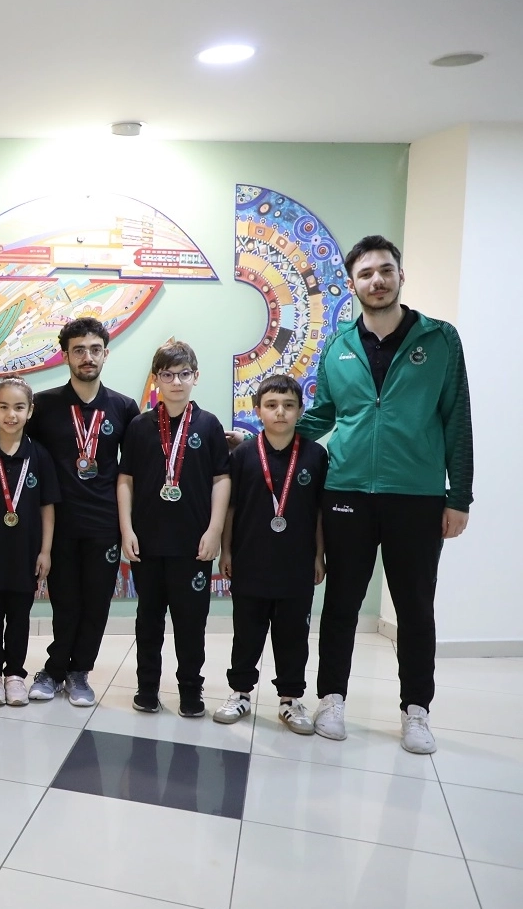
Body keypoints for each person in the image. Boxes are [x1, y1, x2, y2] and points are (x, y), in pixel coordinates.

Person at [296, 235, 472, 754]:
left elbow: (457, 418)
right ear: (353, 284)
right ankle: (331, 699)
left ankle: (416, 711)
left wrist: (458, 495)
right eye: (366, 273)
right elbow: (324, 414)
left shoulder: (439, 339)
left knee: (415, 607)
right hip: (347, 489)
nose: (377, 280)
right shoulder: (338, 345)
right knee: (342, 602)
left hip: (416, 495)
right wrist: (267, 440)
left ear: (399, 275)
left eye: (385, 270)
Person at [27, 317, 142, 706]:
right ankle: (54, 669)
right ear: (66, 356)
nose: (87, 357)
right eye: (78, 350)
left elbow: (140, 464)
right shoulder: (43, 406)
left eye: (94, 349)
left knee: (96, 602)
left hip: (104, 524)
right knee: (64, 601)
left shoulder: (124, 407)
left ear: (105, 354)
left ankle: (79, 672)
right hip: (58, 522)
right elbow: (17, 449)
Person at [117, 340, 230, 718]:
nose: (176, 382)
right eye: (168, 375)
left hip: (193, 544)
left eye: (184, 374)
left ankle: (190, 690)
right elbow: (125, 480)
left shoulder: (209, 425)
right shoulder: (139, 426)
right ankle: (147, 687)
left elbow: (221, 479)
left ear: (196, 376)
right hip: (147, 542)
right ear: (157, 379)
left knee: (190, 622)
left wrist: (215, 530)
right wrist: (126, 529)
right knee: (148, 620)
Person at [214, 374, 326, 734]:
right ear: (257, 410)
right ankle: (240, 693)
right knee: (247, 631)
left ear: (300, 410)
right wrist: (226, 551)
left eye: (289, 405)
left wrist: (319, 555)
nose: (280, 412)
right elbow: (231, 508)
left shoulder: (315, 455)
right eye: (272, 405)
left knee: (293, 635)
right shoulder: (243, 455)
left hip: (297, 563)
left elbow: (319, 512)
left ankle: (290, 700)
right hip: (250, 560)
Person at [0, 377, 58, 707]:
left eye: (19, 407)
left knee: (20, 616)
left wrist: (45, 551)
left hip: (26, 554)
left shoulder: (40, 456)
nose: (11, 414)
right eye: (3, 407)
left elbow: (48, 507)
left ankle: (15, 674)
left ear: (30, 411)